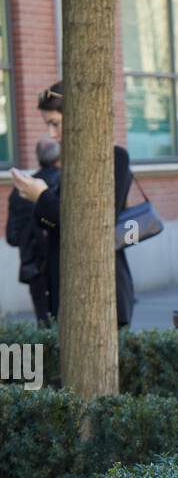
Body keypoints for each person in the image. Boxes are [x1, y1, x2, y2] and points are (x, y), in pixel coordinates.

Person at [9, 82, 136, 326]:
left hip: (102, 291)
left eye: (55, 124)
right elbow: (53, 223)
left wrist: (42, 197)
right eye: (48, 125)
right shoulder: (67, 164)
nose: (52, 135)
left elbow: (90, 225)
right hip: (64, 289)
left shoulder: (114, 158)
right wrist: (35, 200)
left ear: (79, 116)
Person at [5, 137, 61, 325]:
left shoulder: (21, 189)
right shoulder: (64, 184)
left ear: (37, 157)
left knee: (45, 326)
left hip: (33, 268)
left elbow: (12, 237)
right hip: (60, 266)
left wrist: (27, 237)